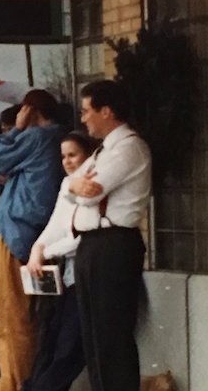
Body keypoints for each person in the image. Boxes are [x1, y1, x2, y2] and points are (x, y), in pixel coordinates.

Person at [60, 80, 150, 391]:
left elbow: (89, 195)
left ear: (107, 111)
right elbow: (69, 187)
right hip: (92, 245)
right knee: (94, 337)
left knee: (111, 336)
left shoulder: (128, 148)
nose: (83, 118)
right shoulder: (102, 151)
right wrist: (73, 185)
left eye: (87, 111)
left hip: (113, 245)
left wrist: (75, 188)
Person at [0, 90, 68, 391]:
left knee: (14, 315)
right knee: (31, 315)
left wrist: (17, 129)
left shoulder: (37, 137)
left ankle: (14, 382)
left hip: (17, 232)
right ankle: (23, 379)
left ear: (30, 111)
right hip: (38, 233)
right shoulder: (59, 138)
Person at [22, 132, 100, 391]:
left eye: (73, 155)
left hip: (88, 271)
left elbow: (81, 234)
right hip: (68, 276)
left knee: (69, 346)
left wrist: (48, 250)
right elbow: (57, 223)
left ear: (87, 154)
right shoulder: (67, 184)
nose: (67, 161)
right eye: (63, 156)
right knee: (51, 340)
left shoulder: (93, 184)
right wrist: (38, 249)